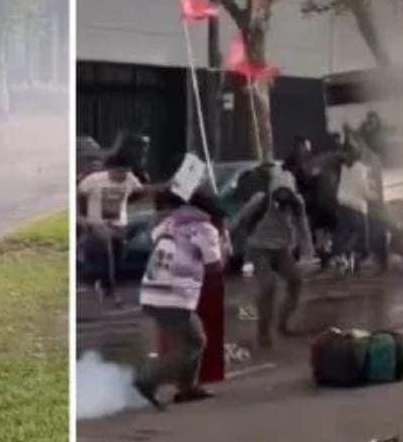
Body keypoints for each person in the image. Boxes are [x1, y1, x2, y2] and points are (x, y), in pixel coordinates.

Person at [134, 190, 223, 409]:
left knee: (194, 339)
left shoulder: (169, 223)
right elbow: (214, 266)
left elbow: (155, 240)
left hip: (152, 289)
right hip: (175, 294)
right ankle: (148, 380)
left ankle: (187, 388)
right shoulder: (205, 229)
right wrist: (223, 245)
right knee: (192, 344)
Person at [231, 173, 313, 348]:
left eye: (286, 192)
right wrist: (228, 236)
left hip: (281, 249)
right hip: (258, 248)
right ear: (273, 190)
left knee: (296, 280)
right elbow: (239, 218)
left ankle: (283, 322)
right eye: (279, 191)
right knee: (268, 286)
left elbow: (303, 227)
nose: (282, 196)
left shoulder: (296, 204)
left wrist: (308, 252)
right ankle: (263, 332)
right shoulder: (261, 200)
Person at [77, 154, 145, 306]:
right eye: (119, 172)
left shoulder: (130, 179)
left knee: (117, 254)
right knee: (106, 252)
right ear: (110, 170)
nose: (122, 176)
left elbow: (140, 191)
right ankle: (109, 289)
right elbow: (80, 194)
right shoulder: (94, 180)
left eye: (125, 172)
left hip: (118, 223)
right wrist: (84, 215)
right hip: (98, 222)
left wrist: (126, 201)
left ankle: (104, 283)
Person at [333, 144, 378, 273]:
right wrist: (375, 196)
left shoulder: (343, 168)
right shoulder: (360, 169)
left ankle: (345, 258)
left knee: (345, 233)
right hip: (357, 207)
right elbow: (363, 190)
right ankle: (350, 255)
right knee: (361, 238)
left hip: (343, 205)